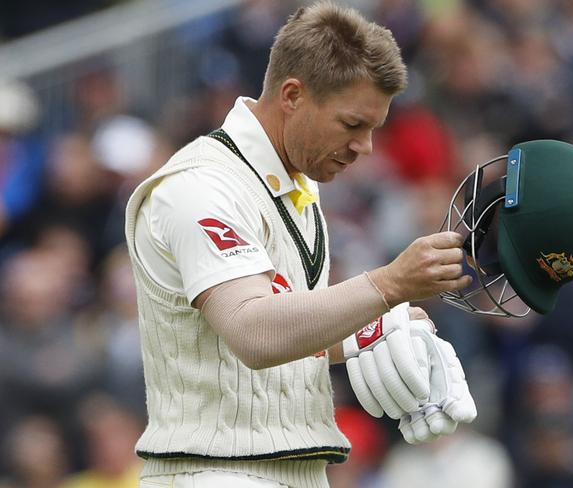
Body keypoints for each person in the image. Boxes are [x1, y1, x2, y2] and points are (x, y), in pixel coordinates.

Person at [125, 3, 472, 487]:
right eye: (352, 125)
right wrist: (389, 285)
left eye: (374, 128)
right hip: (212, 473)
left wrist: (371, 329)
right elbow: (253, 331)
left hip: (294, 471)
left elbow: (283, 335)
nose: (366, 147)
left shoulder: (294, 189)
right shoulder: (202, 186)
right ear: (292, 95)